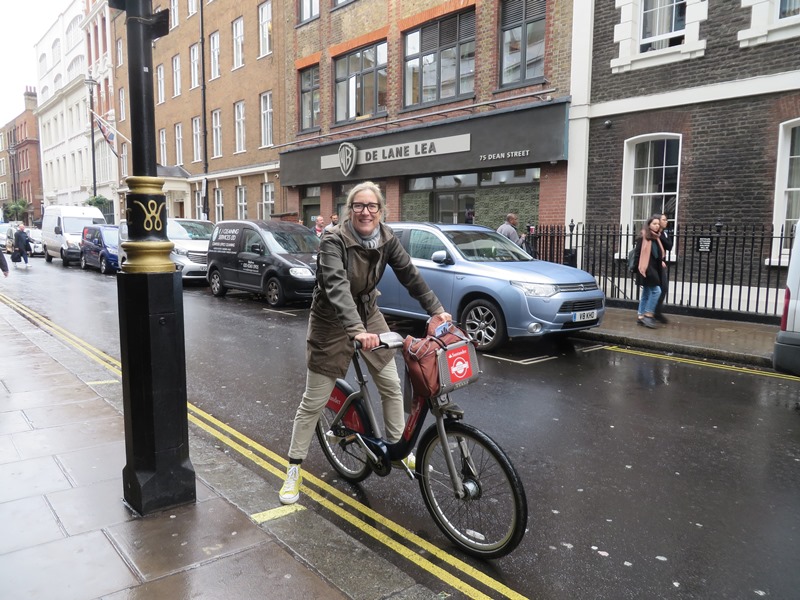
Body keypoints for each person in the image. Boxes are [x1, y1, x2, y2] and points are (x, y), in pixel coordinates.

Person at [279, 181, 451, 505]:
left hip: (368, 313)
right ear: (350, 210)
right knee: (314, 400)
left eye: (372, 206)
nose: (366, 212)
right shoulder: (333, 239)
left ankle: (397, 448)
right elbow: (336, 286)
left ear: (380, 210)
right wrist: (356, 331)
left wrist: (437, 310)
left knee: (391, 383)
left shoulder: (387, 238)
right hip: (331, 320)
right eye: (359, 205)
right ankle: (293, 468)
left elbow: (410, 275)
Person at [633, 215, 665, 329]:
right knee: (657, 291)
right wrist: (637, 269)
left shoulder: (656, 237)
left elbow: (657, 254)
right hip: (646, 269)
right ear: (649, 225)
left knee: (646, 293)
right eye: (654, 224)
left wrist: (661, 261)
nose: (657, 226)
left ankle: (640, 317)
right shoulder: (643, 237)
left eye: (658, 224)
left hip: (654, 269)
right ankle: (648, 314)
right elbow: (637, 254)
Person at [654, 213, 672, 324]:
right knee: (660, 288)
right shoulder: (654, 235)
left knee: (661, 288)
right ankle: (654, 312)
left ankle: (656, 312)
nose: (666, 221)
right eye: (664, 220)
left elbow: (669, 246)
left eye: (666, 220)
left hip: (661, 264)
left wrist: (664, 234)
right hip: (656, 264)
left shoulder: (663, 234)